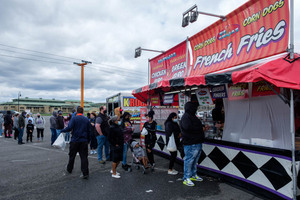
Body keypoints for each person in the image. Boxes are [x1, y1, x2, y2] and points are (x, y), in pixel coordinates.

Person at [180, 102, 209, 187]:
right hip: (190, 143)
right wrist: (201, 128)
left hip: (197, 142)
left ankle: (193, 175)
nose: (196, 109)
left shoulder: (192, 116)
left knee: (195, 161)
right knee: (189, 161)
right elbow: (188, 127)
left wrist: (202, 126)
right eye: (195, 108)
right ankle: (186, 178)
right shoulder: (186, 117)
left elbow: (195, 125)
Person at [61, 106, 91, 179]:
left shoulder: (74, 118)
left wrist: (63, 130)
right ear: (83, 112)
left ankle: (69, 169)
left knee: (72, 156)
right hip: (83, 141)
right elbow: (89, 131)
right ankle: (85, 173)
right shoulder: (86, 119)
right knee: (84, 157)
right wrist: (88, 140)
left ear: (77, 112)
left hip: (75, 140)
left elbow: (69, 127)